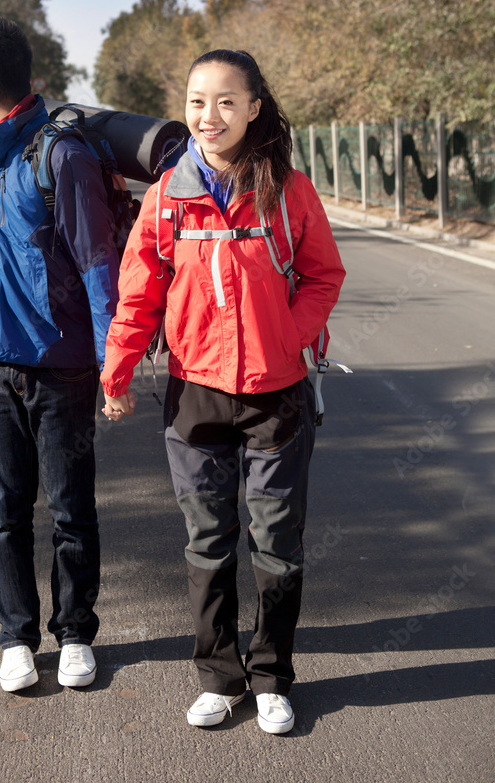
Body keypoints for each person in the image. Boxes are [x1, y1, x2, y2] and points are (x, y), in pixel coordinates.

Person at [100, 49, 345, 733]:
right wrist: (114, 373)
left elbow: (324, 275)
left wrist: (286, 335)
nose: (210, 116)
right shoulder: (164, 199)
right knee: (207, 543)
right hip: (194, 395)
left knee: (276, 545)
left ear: (254, 108)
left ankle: (270, 677)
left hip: (277, 395)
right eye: (197, 101)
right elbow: (137, 295)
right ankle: (217, 675)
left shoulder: (287, 191)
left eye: (226, 101)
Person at [0, 14, 120, 693]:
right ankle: (16, 638)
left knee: (70, 508)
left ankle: (76, 633)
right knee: (6, 512)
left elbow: (98, 268)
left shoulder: (62, 156)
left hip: (64, 371)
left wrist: (114, 367)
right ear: (31, 76)